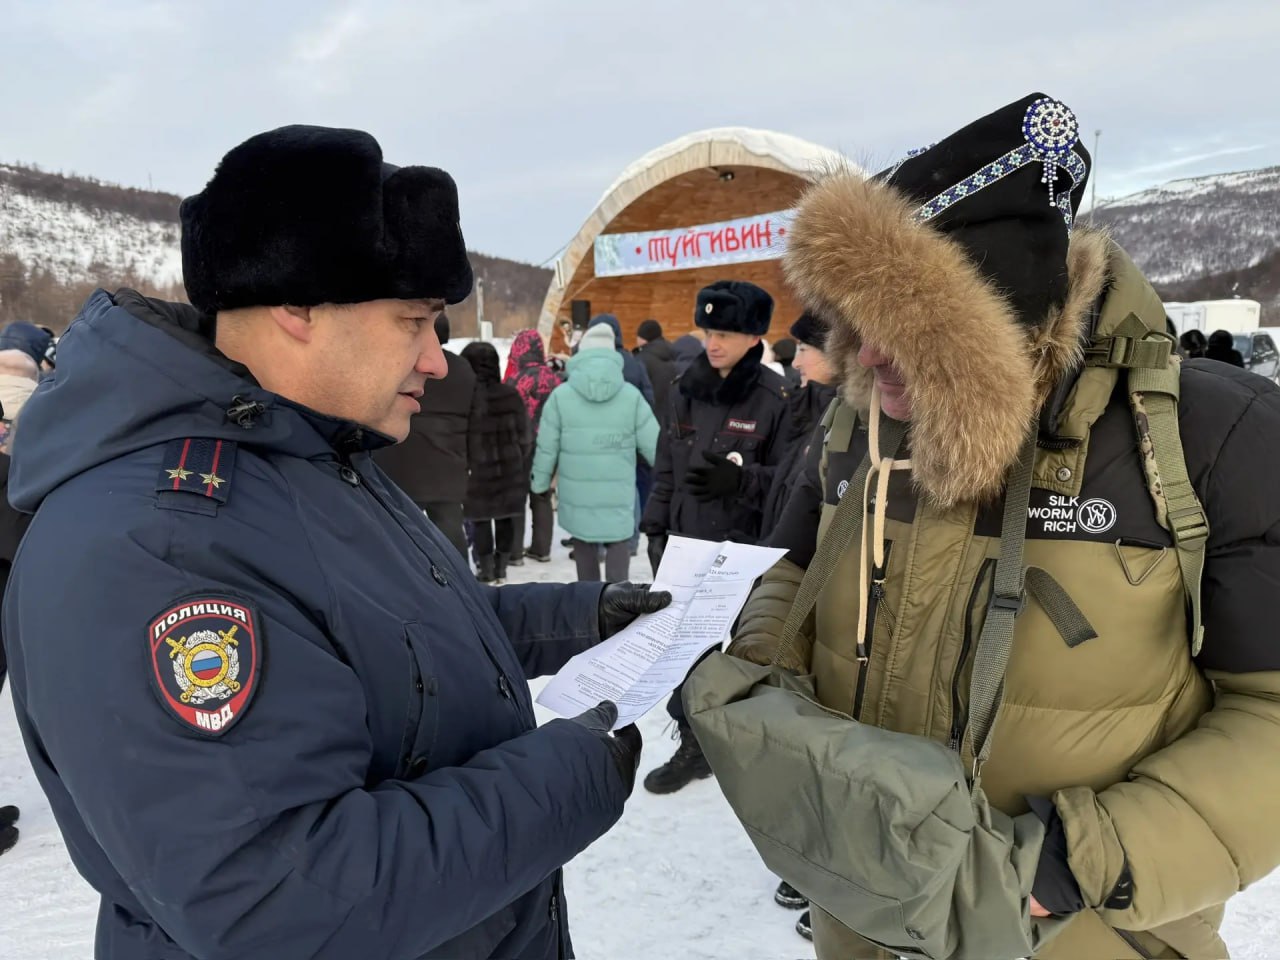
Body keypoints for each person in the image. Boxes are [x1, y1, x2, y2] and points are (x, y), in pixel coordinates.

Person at [3, 124, 670, 960]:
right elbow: (281, 897)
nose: (436, 359)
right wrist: (570, 777)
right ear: (296, 307)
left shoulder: (308, 454)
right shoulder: (156, 544)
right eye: (414, 322)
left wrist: (589, 615)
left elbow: (400, 641)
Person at [709, 93, 1280, 959]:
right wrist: (753, 677)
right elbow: (794, 572)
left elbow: (1269, 713)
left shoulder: (1214, 438)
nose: (863, 358)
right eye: (857, 323)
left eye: (901, 330)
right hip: (866, 920)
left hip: (1085, 934)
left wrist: (1079, 861)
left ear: (985, 330)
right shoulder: (859, 425)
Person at [640, 280, 791, 794]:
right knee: (688, 653)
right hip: (685, 545)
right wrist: (655, 526)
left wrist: (743, 480)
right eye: (709, 331)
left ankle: (748, 747)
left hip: (743, 551)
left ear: (753, 338)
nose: (714, 342)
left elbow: (792, 483)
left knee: (748, 655)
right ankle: (694, 745)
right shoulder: (684, 389)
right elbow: (667, 466)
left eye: (726, 332)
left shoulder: (776, 398)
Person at [531, 324, 659, 582]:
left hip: (577, 494)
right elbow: (656, 447)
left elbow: (547, 447)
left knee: (584, 547)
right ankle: (618, 607)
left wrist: (539, 483)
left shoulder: (561, 396)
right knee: (619, 545)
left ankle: (589, 608)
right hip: (618, 494)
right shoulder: (631, 397)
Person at [373, 311, 478, 558]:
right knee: (451, 530)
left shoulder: (401, 361)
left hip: (401, 459)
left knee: (399, 532)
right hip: (448, 463)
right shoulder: (462, 369)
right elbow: (475, 419)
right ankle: (460, 586)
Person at [461, 340, 531, 584]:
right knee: (505, 517)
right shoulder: (511, 395)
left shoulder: (467, 398)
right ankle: (502, 567)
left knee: (480, 519)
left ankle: (486, 568)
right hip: (509, 467)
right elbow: (525, 436)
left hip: (477, 469)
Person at [505, 328, 564, 563]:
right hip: (549, 446)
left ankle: (515, 551)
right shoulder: (555, 379)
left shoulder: (515, 380)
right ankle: (542, 549)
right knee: (541, 495)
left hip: (520, 445)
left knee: (517, 497)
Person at [633, 318, 676, 417]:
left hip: (649, 416)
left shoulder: (641, 360)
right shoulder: (674, 352)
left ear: (642, 338)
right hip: (671, 418)